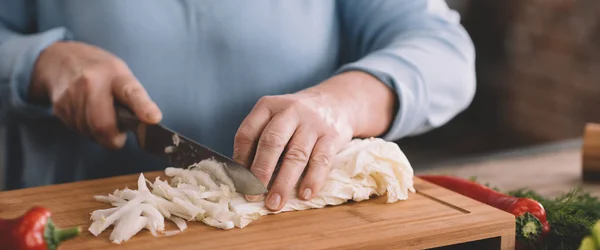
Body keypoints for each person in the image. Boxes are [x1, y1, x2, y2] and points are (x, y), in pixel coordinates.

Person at [0, 0, 475, 211]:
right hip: (70, 232)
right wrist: (37, 61)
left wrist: (343, 102)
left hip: (288, 236)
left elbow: (443, 50)